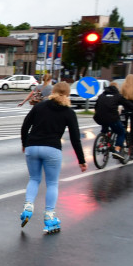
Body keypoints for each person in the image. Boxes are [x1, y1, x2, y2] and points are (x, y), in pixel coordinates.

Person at [20, 81, 87, 234]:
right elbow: (75, 138)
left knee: (34, 179)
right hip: (52, 149)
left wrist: (25, 143)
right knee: (51, 183)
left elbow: (25, 125)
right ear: (68, 94)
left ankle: (28, 206)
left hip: (32, 146)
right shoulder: (68, 112)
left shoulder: (39, 106)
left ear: (53, 91)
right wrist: (81, 161)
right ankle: (49, 218)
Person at [93, 81, 133, 161]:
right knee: (121, 132)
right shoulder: (117, 96)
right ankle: (117, 150)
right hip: (112, 118)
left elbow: (96, 106)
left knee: (105, 126)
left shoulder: (101, 95)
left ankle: (103, 139)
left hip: (99, 118)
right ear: (116, 88)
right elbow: (128, 104)